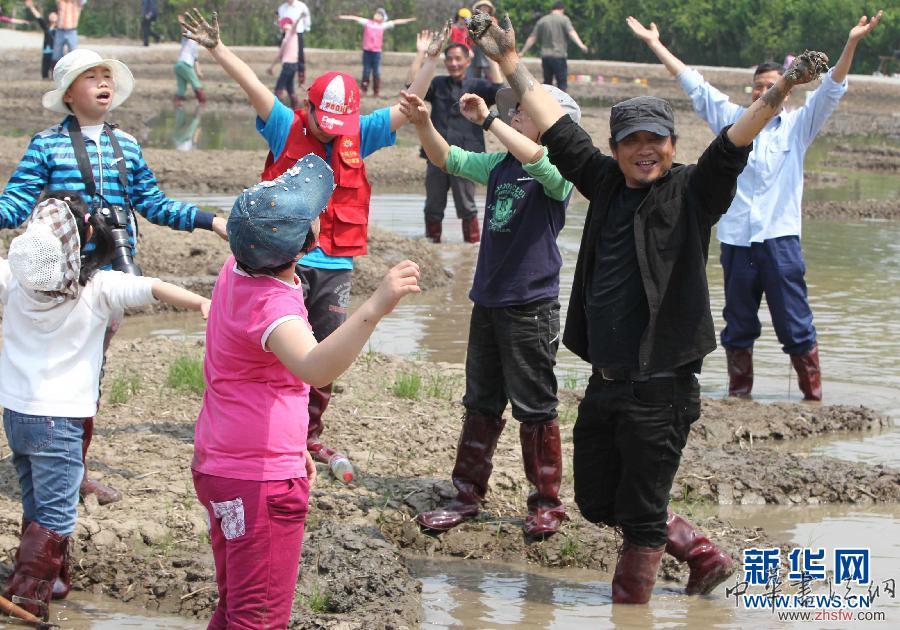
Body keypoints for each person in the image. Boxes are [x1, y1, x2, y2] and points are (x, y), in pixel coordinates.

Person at [470, 14, 825, 603]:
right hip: (606, 381)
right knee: (595, 501)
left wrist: (783, 88)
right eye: (631, 141)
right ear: (615, 149)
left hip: (663, 388)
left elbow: (734, 141)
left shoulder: (694, 192)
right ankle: (703, 554)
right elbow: (558, 128)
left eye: (654, 141)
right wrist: (509, 62)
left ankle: (629, 607)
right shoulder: (604, 182)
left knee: (639, 521)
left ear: (672, 145)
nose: (644, 151)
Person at [179, 9, 443, 478]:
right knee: (279, 343)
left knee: (327, 344)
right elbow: (251, 85)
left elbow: (407, 109)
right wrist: (217, 49)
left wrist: (429, 61)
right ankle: (269, 420)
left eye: (339, 124)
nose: (330, 131)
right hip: (286, 262)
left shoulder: (360, 131)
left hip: (337, 263)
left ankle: (308, 433)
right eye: (324, 121)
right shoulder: (284, 124)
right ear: (309, 105)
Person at [194, 159, 420, 628]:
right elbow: (317, 368)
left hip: (221, 467)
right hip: (258, 482)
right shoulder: (272, 304)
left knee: (236, 607)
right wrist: (375, 307)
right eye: (315, 212)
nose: (322, 214)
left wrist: (294, 446)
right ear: (307, 244)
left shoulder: (236, 269)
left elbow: (262, 378)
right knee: (259, 617)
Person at [0, 49, 228, 507]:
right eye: (92, 77)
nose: (104, 82)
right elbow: (16, 203)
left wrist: (212, 221)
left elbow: (155, 205)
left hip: (108, 279)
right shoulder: (46, 144)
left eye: (107, 76)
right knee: (49, 364)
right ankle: (44, 450)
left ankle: (74, 465)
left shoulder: (126, 144)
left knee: (91, 372)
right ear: (68, 93)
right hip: (58, 280)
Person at [627, 12, 883, 401]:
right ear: (752, 92)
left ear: (788, 88)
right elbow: (695, 85)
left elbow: (832, 88)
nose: (765, 91)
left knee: (795, 324)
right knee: (738, 324)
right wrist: (654, 44)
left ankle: (812, 398)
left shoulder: (798, 127)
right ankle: (738, 395)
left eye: (772, 85)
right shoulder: (733, 121)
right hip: (737, 241)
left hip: (780, 241)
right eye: (759, 87)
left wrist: (851, 42)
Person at [1, 192, 210, 621]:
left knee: (37, 501)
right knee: (57, 514)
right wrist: (202, 302)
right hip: (60, 419)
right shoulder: (97, 287)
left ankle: (52, 580)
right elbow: (152, 288)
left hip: (16, 415)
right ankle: (26, 598)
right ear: (85, 236)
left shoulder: (15, 278)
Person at [400, 83, 580, 538]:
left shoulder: (558, 171)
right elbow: (449, 159)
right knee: (480, 401)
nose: (514, 112)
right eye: (513, 108)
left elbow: (537, 161)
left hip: (530, 305)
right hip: (488, 299)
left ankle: (547, 504)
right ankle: (466, 495)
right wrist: (424, 124)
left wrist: (489, 121)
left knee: (535, 406)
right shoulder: (501, 165)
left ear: (553, 126)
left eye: (524, 110)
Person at [409, 36, 504, 243]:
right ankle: (431, 246)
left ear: (468, 61)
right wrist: (421, 54)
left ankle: (472, 247)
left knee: (467, 206)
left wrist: (491, 58)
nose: (453, 63)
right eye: (450, 59)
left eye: (458, 59)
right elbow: (412, 88)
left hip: (468, 157)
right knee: (433, 205)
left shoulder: (478, 85)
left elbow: (499, 90)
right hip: (436, 155)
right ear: (445, 62)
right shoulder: (438, 83)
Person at [338, 8, 416, 97]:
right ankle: (364, 89)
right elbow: (355, 18)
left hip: (376, 53)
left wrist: (409, 20)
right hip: (367, 52)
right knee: (366, 71)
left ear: (383, 18)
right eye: (377, 13)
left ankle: (376, 91)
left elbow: (396, 21)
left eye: (380, 15)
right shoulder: (367, 22)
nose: (377, 15)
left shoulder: (383, 25)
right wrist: (342, 17)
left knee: (376, 72)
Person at [519, 2, 588, 91]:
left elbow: (532, 38)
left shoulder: (542, 20)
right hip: (559, 56)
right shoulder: (564, 19)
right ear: (562, 9)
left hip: (546, 57)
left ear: (552, 9)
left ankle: (546, 99)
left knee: (547, 83)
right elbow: (572, 33)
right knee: (562, 83)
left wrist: (523, 52)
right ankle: (561, 100)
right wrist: (581, 45)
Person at [277, 0, 311, 87]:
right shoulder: (282, 8)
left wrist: (306, 28)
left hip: (298, 34)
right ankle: (287, 78)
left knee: (300, 56)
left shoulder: (301, 6)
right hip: (285, 33)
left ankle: (301, 81)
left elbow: (307, 19)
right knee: (285, 56)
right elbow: (280, 21)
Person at [268, 17, 301, 107]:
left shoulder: (293, 35)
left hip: (288, 66)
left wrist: (299, 18)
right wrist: (271, 67)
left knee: (279, 87)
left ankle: (275, 107)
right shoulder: (286, 40)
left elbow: (294, 26)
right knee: (290, 87)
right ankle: (295, 106)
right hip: (293, 65)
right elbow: (279, 55)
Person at [24, 0, 58, 79]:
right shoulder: (46, 27)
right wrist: (31, 7)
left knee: (55, 70)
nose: (52, 16)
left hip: (55, 52)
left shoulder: (60, 29)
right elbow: (39, 18)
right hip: (46, 51)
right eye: (51, 15)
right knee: (44, 72)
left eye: (54, 15)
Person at [174, 36, 205, 105]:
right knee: (196, 84)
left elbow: (196, 60)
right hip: (186, 64)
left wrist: (198, 71)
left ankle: (176, 105)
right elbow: (186, 32)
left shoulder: (195, 46)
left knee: (181, 88)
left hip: (178, 65)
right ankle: (202, 103)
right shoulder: (189, 38)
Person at [468, 1, 496, 79]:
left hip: (487, 46)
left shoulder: (493, 19)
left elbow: (495, 32)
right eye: (483, 6)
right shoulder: (473, 18)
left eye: (486, 7)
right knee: (475, 69)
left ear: (489, 9)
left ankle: (490, 83)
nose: (484, 8)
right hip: (475, 46)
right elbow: (468, 30)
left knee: (487, 68)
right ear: (479, 8)